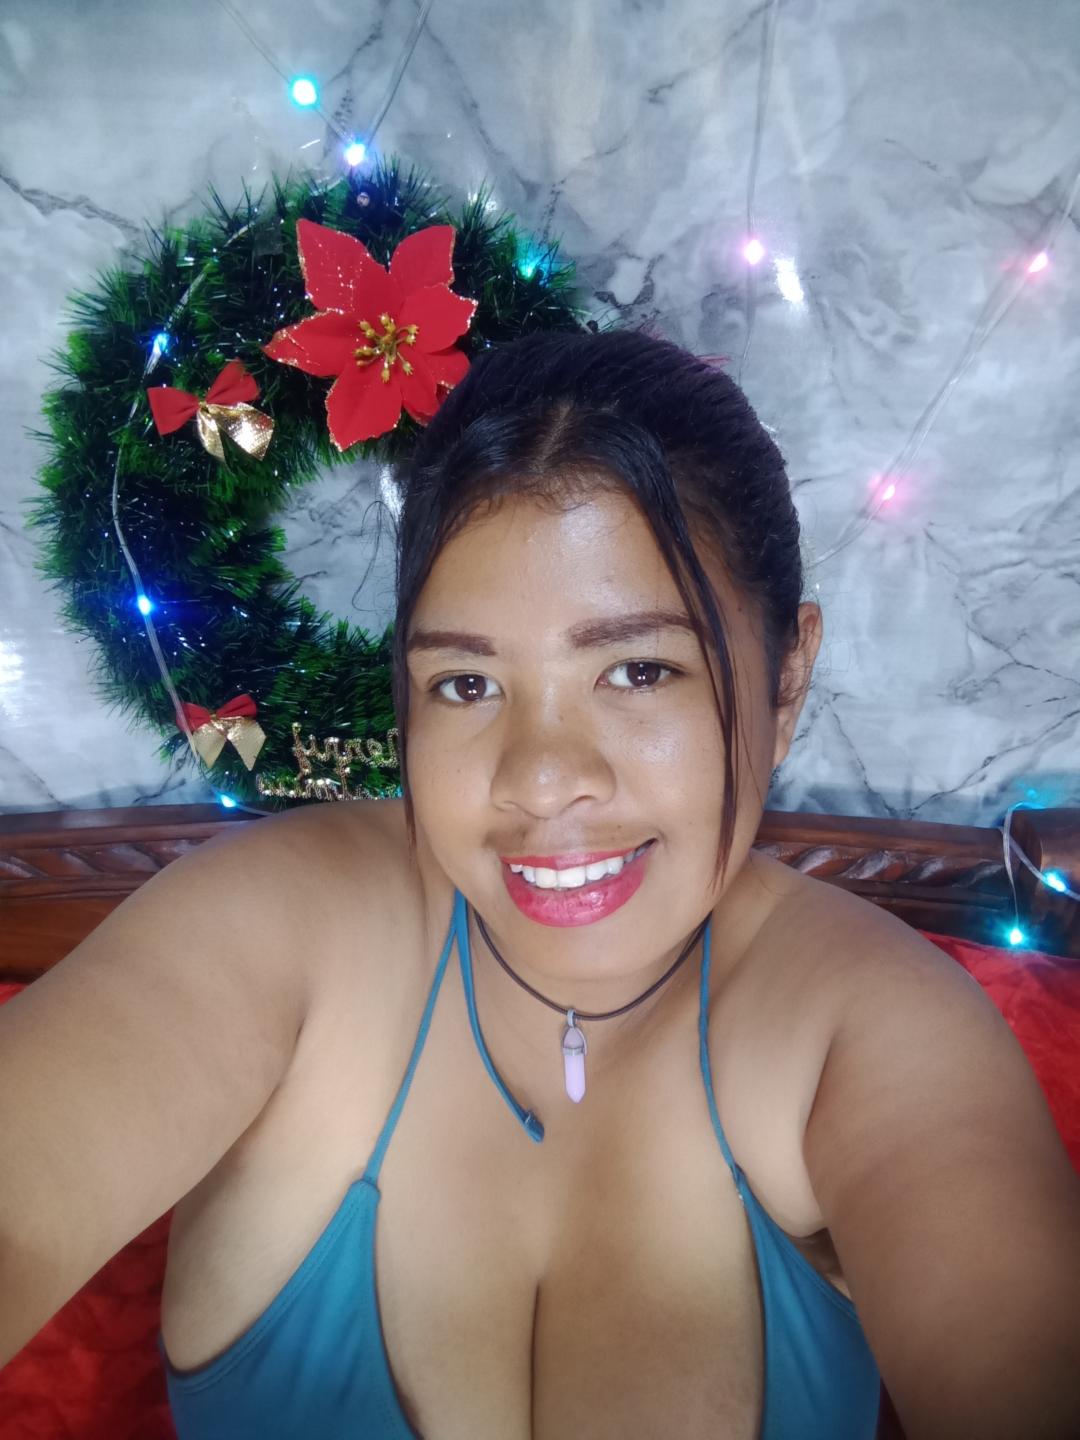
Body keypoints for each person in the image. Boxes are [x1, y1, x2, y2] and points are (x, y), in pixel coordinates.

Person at [1, 329, 1078, 1440]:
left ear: (787, 679)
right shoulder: (277, 927)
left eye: (639, 670)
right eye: (466, 683)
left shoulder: (866, 1027)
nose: (542, 779)